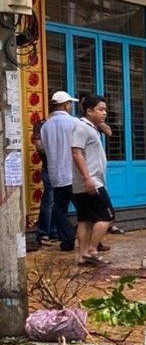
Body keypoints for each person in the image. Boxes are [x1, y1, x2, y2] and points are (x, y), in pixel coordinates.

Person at [70, 93, 115, 265]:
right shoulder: (82, 128)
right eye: (100, 110)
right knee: (107, 217)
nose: (104, 113)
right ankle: (92, 250)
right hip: (91, 181)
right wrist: (88, 178)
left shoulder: (91, 127)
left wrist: (100, 123)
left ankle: (82, 256)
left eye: (105, 110)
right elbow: (76, 153)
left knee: (85, 220)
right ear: (89, 111)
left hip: (86, 181)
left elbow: (108, 131)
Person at [39, 91, 78, 251]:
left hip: (55, 174)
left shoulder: (46, 125)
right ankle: (90, 242)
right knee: (84, 209)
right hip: (73, 174)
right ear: (66, 105)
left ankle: (66, 242)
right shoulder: (75, 123)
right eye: (70, 104)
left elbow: (44, 149)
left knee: (59, 210)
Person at [31, 117, 56, 245]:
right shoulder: (42, 125)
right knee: (49, 200)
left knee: (57, 201)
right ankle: (43, 233)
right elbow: (39, 146)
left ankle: (53, 231)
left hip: (60, 169)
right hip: (49, 168)